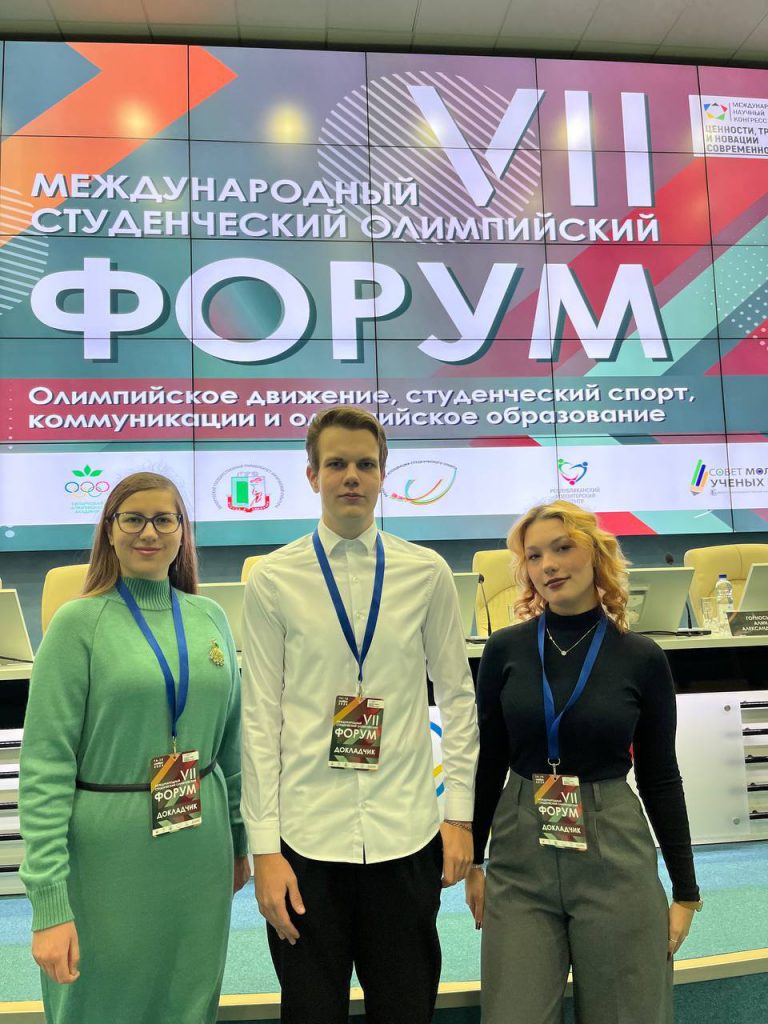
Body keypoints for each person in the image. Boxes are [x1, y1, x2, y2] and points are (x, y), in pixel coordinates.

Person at [240, 405, 479, 1024]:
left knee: (406, 1010)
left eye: (365, 464)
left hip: (406, 837)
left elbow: (458, 698)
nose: (352, 476)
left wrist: (459, 817)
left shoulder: (426, 573)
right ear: (312, 475)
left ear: (382, 475)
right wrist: (264, 850)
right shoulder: (273, 579)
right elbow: (260, 718)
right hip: (305, 844)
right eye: (337, 464)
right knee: (310, 1013)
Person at [20, 471, 250, 1024]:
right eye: (133, 518)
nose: (149, 532)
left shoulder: (211, 618)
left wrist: (241, 841)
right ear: (109, 530)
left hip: (201, 849)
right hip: (106, 857)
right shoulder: (77, 625)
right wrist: (49, 903)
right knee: (100, 1003)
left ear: (182, 532)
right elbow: (45, 767)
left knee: (188, 999)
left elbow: (231, 743)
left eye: (164, 519)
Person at [465, 500, 701, 1024]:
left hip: (613, 847)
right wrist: (475, 860)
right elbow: (490, 761)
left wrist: (686, 892)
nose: (548, 564)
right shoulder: (504, 650)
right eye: (534, 556)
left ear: (595, 554)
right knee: (514, 1014)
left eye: (562, 548)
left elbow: (661, 776)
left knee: (629, 1013)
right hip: (520, 851)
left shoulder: (641, 657)